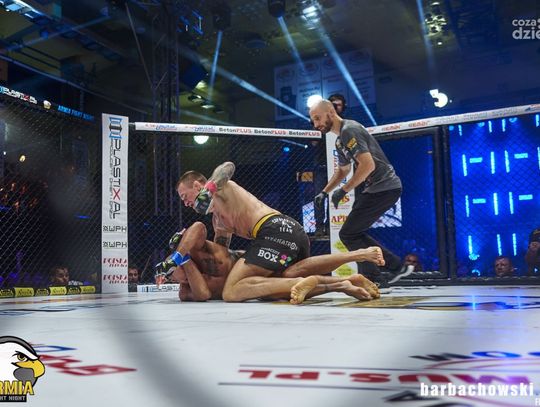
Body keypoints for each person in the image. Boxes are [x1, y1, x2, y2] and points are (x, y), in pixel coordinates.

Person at [175, 163, 381, 302]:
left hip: (272, 230)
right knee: (279, 283)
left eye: (185, 196)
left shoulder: (220, 188)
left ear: (197, 185)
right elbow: (222, 256)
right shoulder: (218, 221)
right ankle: (351, 272)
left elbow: (227, 166)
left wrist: (209, 189)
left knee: (232, 292)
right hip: (292, 233)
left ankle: (324, 280)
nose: (185, 203)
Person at [310, 99, 411, 286]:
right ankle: (391, 270)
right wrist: (324, 192)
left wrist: (344, 190)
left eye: (317, 118)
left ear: (330, 112)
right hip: (378, 188)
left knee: (349, 234)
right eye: (313, 120)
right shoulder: (340, 140)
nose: (315, 125)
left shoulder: (350, 130)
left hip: (385, 187)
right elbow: (343, 170)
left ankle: (384, 273)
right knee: (352, 233)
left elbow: (368, 165)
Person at [155, 221, 384, 303]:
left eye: (171, 267)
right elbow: (203, 294)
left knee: (289, 278)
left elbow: (197, 227)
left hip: (256, 261)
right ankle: (346, 281)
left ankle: (355, 256)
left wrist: (178, 255)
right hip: (259, 278)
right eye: (171, 274)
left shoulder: (197, 249)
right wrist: (184, 262)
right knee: (291, 278)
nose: (172, 274)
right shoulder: (185, 290)